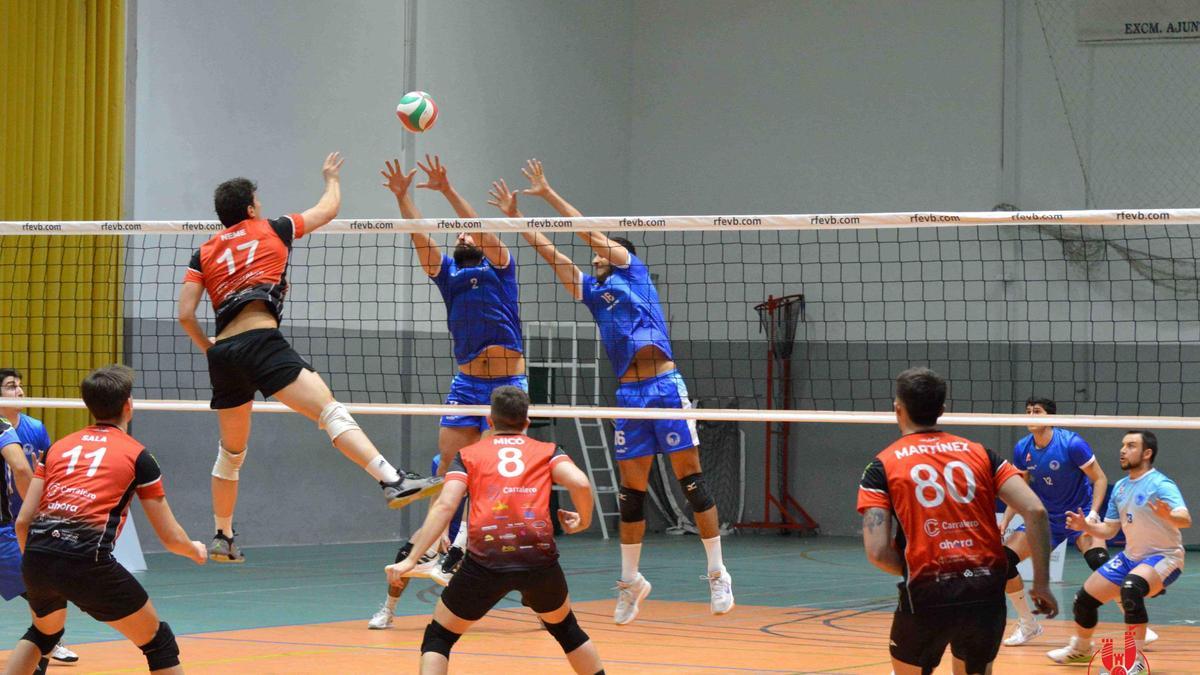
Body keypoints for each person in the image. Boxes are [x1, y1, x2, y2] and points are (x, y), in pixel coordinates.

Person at [488, 160, 731, 624]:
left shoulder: (632, 272)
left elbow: (586, 235)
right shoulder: (592, 292)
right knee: (630, 494)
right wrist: (518, 219)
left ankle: (718, 573)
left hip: (664, 386)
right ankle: (631, 582)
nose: (595, 256)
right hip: (629, 395)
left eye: (603, 251)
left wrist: (548, 191)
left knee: (691, 482)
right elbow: (552, 256)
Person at [179, 152, 440, 563]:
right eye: (257, 201)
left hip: (224, 353)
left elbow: (185, 314)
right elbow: (328, 209)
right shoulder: (273, 228)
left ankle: (223, 534)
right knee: (330, 412)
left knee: (231, 454)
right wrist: (331, 177)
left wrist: (210, 348)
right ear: (250, 208)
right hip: (262, 342)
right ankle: (392, 480)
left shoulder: (205, 251)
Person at [3, 365, 207, 675]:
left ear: (88, 405)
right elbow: (170, 538)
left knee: (43, 634)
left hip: (37, 556)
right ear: (128, 405)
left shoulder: (58, 448)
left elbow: (23, 521)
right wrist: (195, 550)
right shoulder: (139, 456)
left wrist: (34, 559)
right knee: (159, 642)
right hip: (86, 562)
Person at [386, 386, 603, 674]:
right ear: (527, 421)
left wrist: (412, 559)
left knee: (439, 637)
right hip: (539, 561)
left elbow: (444, 506)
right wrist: (584, 520)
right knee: (567, 630)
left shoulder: (468, 455)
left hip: (486, 563)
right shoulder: (548, 451)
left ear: (490, 420)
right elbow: (581, 484)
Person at [857, 367, 1058, 675]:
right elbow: (1037, 512)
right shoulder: (982, 454)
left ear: (898, 409)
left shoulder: (881, 466)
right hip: (985, 594)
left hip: (927, 595)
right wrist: (1041, 583)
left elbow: (877, 552)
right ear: (942, 410)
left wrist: (925, 567)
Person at [381, 155, 526, 574]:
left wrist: (446, 190)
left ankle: (464, 546)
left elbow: (479, 225)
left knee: (491, 473)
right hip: (466, 384)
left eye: (467, 232)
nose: (462, 234)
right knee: (445, 467)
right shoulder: (448, 272)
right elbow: (421, 238)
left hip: (506, 386)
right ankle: (436, 541)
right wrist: (403, 198)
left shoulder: (501, 267)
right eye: (458, 233)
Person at [1047, 430, 1190, 666]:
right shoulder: (1122, 487)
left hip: (1165, 557)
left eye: (1131, 446)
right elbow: (1110, 531)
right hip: (1130, 558)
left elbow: (1185, 519)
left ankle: (1137, 662)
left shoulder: (1160, 483)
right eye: (1123, 445)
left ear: (1147, 453)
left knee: (1131, 589)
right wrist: (1086, 527)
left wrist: (1170, 516)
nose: (1123, 450)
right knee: (1083, 599)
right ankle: (1082, 649)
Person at [999, 396, 1117, 646]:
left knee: (1099, 561)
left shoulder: (1072, 443)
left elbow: (1100, 479)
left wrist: (1093, 516)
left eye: (1037, 411)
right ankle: (1028, 624)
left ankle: (1133, 618)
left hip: (1079, 515)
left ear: (1050, 417)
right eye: (1027, 411)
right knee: (1003, 561)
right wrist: (1006, 521)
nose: (1030, 416)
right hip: (1045, 519)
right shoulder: (1023, 448)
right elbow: (1019, 486)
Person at [0, 370, 80, 667]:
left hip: (15, 523)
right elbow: (22, 470)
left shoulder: (34, 428)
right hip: (8, 529)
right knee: (48, 596)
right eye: (11, 387)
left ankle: (49, 641)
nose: (20, 392)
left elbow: (41, 469)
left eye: (21, 387)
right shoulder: (2, 427)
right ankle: (47, 644)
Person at [367, 455, 464, 630]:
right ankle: (388, 611)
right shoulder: (440, 460)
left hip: (471, 526)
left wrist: (462, 538)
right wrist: (441, 531)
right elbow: (437, 498)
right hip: (444, 521)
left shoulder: (478, 459)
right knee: (404, 556)